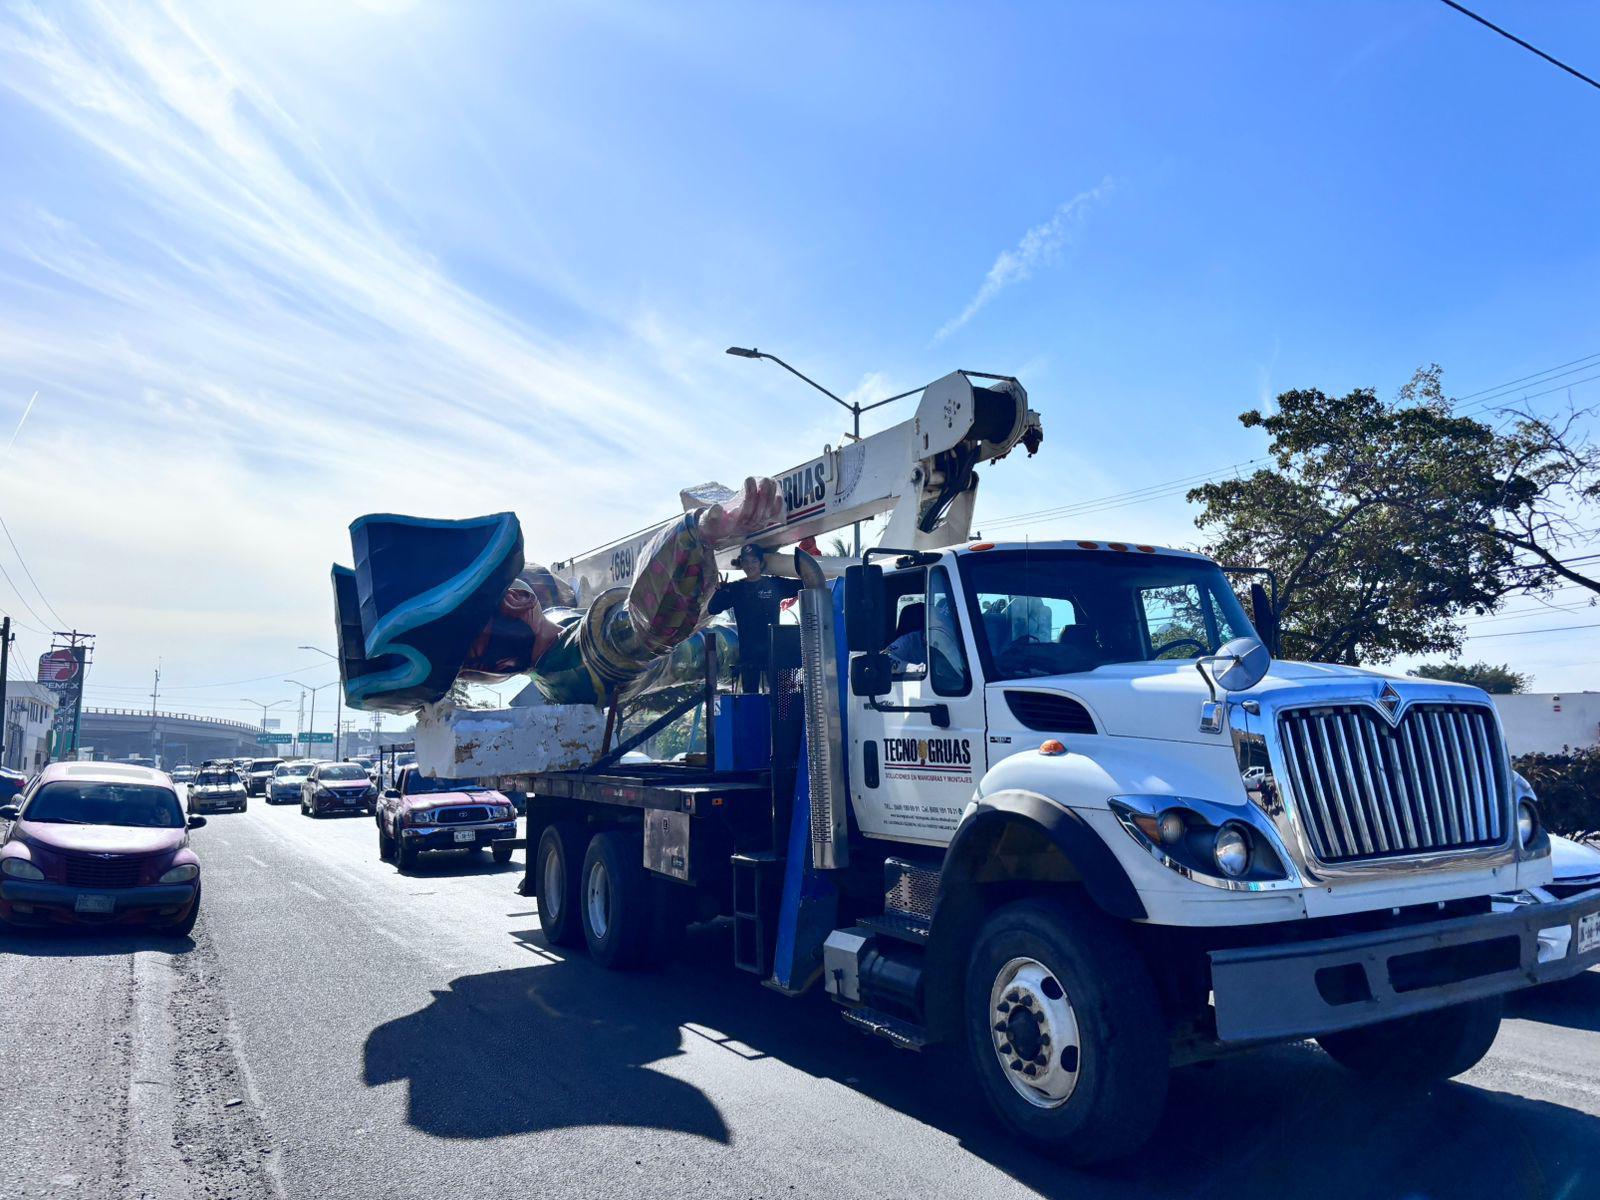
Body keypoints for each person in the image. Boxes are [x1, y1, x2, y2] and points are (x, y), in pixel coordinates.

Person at [708, 544, 801, 692]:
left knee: (779, 698)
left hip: (772, 651)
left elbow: (804, 584)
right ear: (741, 564)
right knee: (750, 698)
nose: (749, 565)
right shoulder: (735, 589)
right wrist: (720, 591)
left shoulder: (774, 584)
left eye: (754, 561)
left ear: (761, 563)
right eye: (745, 561)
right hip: (748, 654)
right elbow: (712, 608)